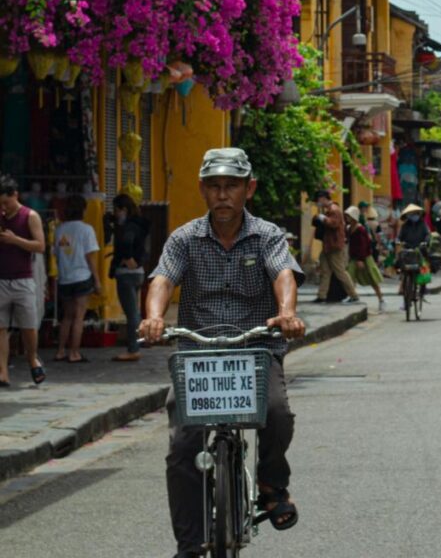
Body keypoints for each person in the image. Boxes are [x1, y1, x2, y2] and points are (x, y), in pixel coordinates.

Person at [139, 147, 307, 557]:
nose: (223, 195)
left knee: (278, 414)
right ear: (202, 190)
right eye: (214, 186)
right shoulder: (184, 238)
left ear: (249, 188)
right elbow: (162, 278)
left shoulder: (267, 235)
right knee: (182, 447)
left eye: (231, 186)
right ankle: (190, 545)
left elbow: (283, 273)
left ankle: (270, 485)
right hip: (199, 354)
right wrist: (153, 317)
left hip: (256, 349)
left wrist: (286, 313)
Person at [0, 174, 47, 387]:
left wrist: (15, 240)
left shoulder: (30, 216)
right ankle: (2, 372)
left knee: (28, 327)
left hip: (23, 279)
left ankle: (32, 358)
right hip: (1, 279)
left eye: (6, 202)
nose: (3, 207)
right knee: (1, 328)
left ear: (15, 195)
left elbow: (40, 246)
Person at [54, 194, 102, 364]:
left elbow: (57, 255)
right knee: (78, 317)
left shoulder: (59, 230)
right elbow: (90, 257)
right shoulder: (86, 230)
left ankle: (60, 351)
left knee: (66, 317)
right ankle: (74, 353)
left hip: (65, 278)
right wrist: (97, 281)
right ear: (83, 210)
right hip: (82, 277)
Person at [107, 193, 149, 362]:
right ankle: (136, 344)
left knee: (131, 314)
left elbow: (126, 243)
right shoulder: (140, 223)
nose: (116, 214)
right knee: (135, 312)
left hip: (127, 274)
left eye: (116, 210)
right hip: (138, 272)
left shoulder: (128, 226)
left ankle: (133, 348)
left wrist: (127, 258)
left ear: (123, 209)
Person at [312, 189, 359, 305]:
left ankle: (353, 295)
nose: (318, 202)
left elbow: (334, 223)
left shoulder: (334, 209)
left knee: (340, 272)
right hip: (328, 245)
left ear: (323, 199)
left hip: (334, 246)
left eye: (318, 200)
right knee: (325, 271)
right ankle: (321, 296)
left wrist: (322, 218)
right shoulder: (328, 209)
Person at [344, 206, 386, 312]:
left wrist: (360, 259)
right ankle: (352, 296)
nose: (347, 218)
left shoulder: (360, 229)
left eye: (349, 216)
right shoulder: (349, 228)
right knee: (349, 276)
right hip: (354, 257)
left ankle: (381, 300)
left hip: (364, 257)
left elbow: (363, 245)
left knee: (372, 279)